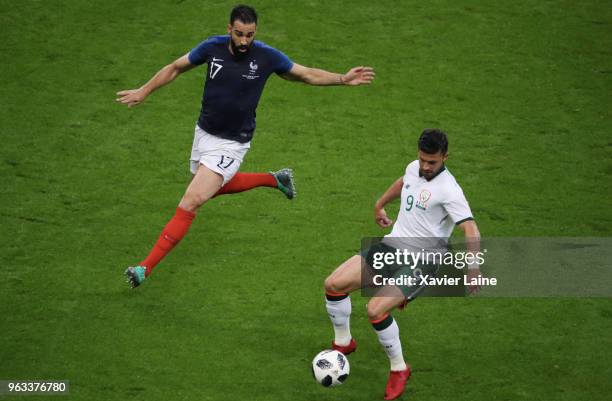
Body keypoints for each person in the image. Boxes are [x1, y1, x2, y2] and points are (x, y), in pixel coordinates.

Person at [116, 5, 375, 288]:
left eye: (249, 35)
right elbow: (175, 67)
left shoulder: (266, 56)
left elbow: (305, 74)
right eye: (239, 34)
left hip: (232, 143)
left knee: (191, 201)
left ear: (255, 33)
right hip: (203, 133)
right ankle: (275, 179)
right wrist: (144, 90)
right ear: (229, 29)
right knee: (207, 190)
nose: (243, 41)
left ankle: (144, 267)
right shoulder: (211, 48)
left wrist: (341, 78)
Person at [323, 129, 482, 400]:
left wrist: (474, 269)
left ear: (445, 157)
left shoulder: (449, 190)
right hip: (392, 247)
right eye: (422, 159)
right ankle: (343, 342)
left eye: (431, 162)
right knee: (333, 284)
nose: (425, 166)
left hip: (423, 260)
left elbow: (471, 230)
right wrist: (380, 204)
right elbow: (403, 182)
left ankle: (399, 369)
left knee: (375, 309)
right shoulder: (414, 168)